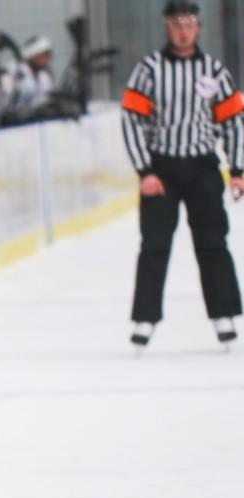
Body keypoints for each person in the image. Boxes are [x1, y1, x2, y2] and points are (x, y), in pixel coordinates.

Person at [121, 0, 242, 347]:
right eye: (177, 23)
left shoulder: (214, 71)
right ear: (166, 27)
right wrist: (144, 169)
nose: (184, 30)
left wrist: (237, 169)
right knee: (155, 244)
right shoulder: (149, 69)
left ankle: (224, 314)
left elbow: (233, 122)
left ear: (199, 27)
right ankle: (145, 318)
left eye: (190, 23)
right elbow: (132, 119)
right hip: (162, 168)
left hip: (203, 166)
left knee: (213, 242)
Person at [12, 35, 55, 118]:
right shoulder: (17, 72)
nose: (47, 59)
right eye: (44, 55)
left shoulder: (44, 76)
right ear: (34, 55)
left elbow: (48, 98)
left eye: (48, 55)